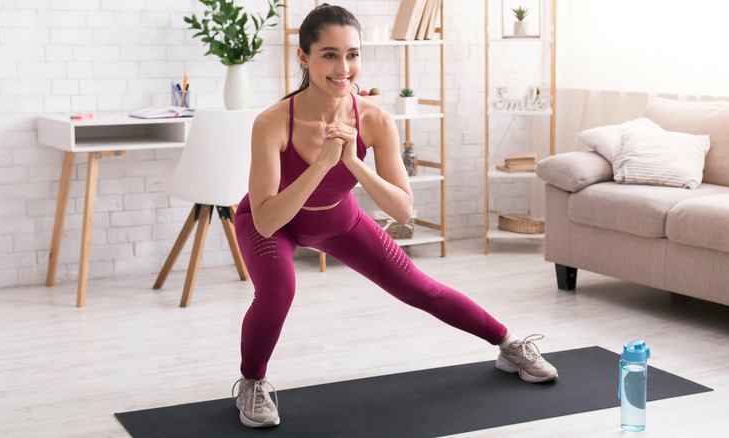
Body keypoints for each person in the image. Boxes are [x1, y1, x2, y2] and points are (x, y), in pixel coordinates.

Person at [232, 3, 558, 428]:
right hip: (272, 221)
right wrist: (322, 164)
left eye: (352, 54)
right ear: (303, 57)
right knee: (278, 291)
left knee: (421, 288)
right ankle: (252, 383)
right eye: (329, 54)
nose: (343, 67)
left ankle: (510, 345)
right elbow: (267, 220)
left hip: (339, 220)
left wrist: (352, 161)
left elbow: (403, 210)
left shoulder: (375, 119)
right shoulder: (272, 122)